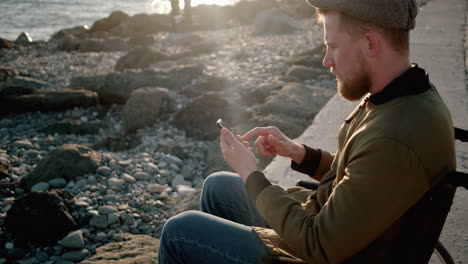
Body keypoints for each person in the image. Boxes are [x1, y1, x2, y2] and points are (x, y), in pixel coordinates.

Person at [158, 0, 456, 263]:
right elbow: (361, 173)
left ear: (370, 44)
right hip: (334, 228)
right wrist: (299, 153)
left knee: (179, 233)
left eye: (333, 46)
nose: (326, 60)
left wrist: (252, 174)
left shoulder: (395, 137)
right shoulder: (405, 96)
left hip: (317, 245)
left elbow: (318, 245)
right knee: (218, 186)